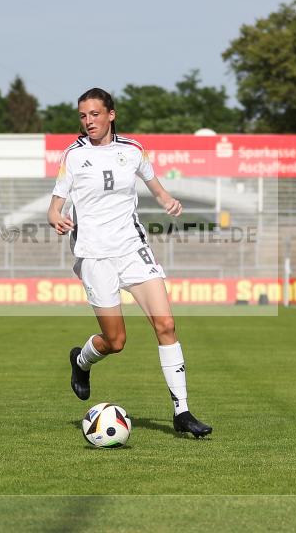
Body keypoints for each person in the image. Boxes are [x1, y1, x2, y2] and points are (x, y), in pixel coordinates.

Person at [47, 87, 212, 438]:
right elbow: (55, 204)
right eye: (82, 116)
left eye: (94, 114)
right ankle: (81, 361)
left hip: (132, 248)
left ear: (111, 114)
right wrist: (55, 217)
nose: (88, 121)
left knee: (165, 324)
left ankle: (182, 412)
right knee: (116, 341)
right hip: (95, 255)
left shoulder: (133, 150)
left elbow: (154, 184)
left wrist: (167, 199)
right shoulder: (73, 155)